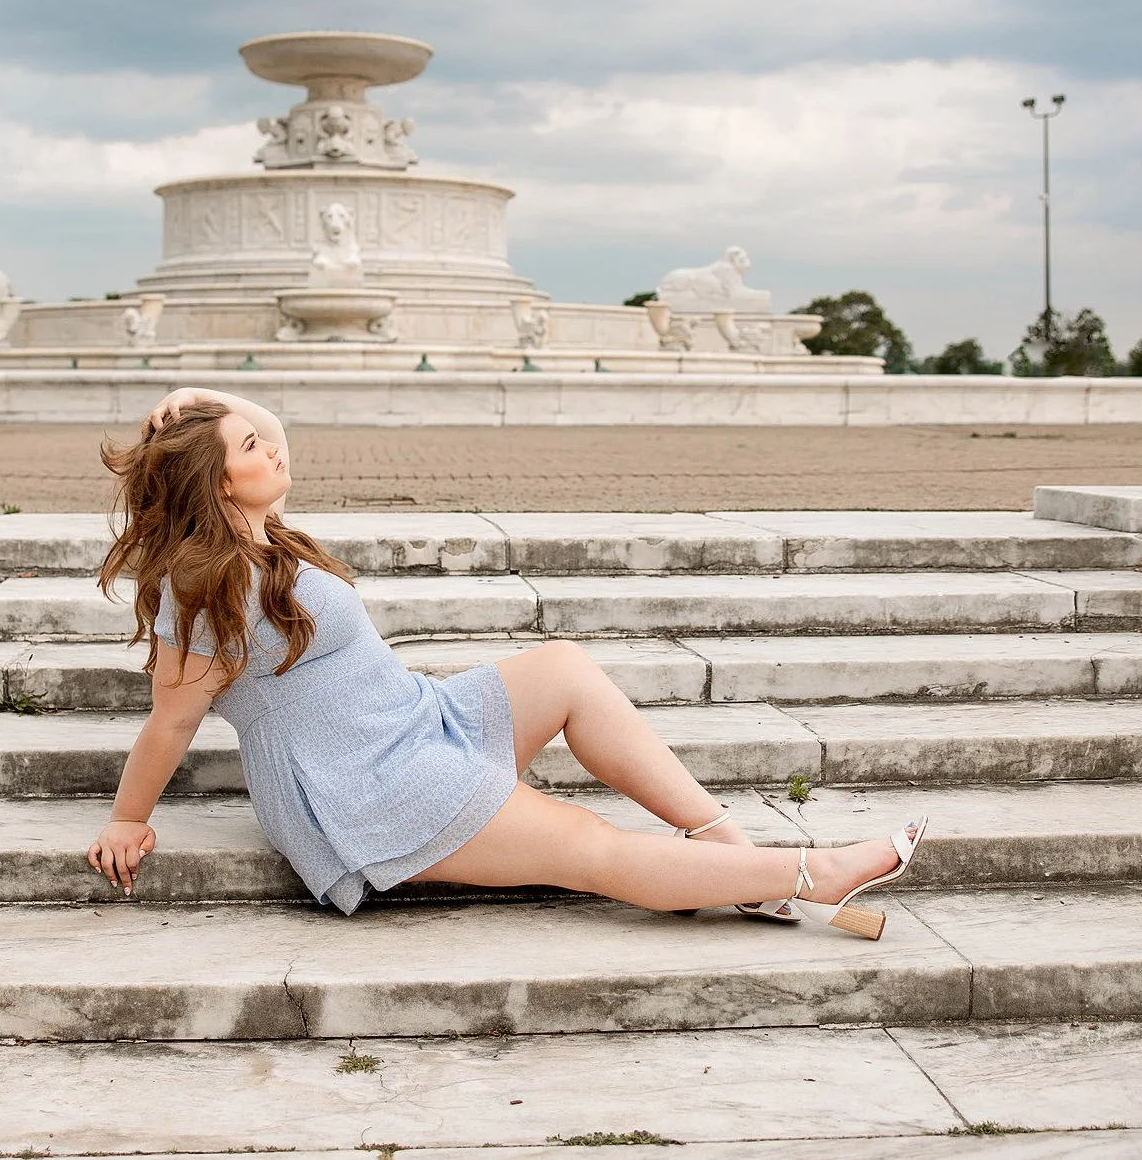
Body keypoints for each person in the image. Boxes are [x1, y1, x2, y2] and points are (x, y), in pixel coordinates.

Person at [86, 387, 926, 936]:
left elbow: (271, 424)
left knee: (562, 668)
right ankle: (812, 875)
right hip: (367, 784)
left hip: (416, 720)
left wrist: (211, 401)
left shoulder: (262, 536)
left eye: (261, 441)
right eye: (248, 448)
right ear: (219, 482)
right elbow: (174, 718)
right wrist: (128, 818)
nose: (272, 451)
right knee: (588, 844)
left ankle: (737, 857)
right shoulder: (201, 586)